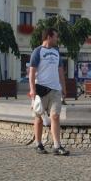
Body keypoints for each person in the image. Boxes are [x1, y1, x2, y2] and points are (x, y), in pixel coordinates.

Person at [29, 27, 70, 155]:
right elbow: (32, 72)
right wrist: (32, 89)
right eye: (56, 36)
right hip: (41, 89)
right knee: (39, 118)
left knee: (55, 116)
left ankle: (57, 146)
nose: (57, 39)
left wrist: (63, 87)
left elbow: (60, 71)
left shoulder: (56, 52)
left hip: (55, 90)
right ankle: (38, 144)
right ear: (49, 37)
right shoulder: (37, 51)